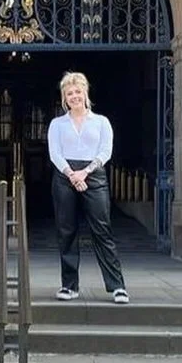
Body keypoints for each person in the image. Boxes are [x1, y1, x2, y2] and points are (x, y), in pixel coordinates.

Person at [47, 71, 129, 304]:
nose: (74, 96)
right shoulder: (57, 124)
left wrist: (85, 172)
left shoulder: (101, 122)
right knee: (67, 231)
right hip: (65, 175)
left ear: (85, 93)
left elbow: (105, 151)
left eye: (77, 92)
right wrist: (72, 175)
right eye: (69, 93)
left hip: (94, 175)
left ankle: (117, 286)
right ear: (64, 97)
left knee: (102, 230)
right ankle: (69, 286)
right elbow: (55, 153)